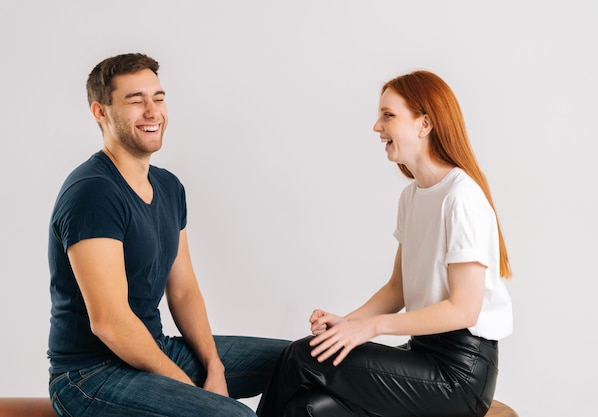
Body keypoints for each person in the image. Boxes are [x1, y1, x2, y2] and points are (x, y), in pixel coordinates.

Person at [257, 70, 513, 417]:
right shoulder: (412, 197)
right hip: (423, 356)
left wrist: (372, 327)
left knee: (303, 357)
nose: (377, 127)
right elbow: (398, 289)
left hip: (461, 374)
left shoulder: (461, 197)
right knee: (307, 409)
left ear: (424, 124)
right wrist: (348, 324)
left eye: (388, 115)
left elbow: (464, 309)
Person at [47, 52, 289, 417]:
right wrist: (190, 389)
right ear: (100, 112)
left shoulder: (168, 186)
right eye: (135, 100)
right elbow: (110, 323)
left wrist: (215, 368)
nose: (152, 111)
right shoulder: (93, 193)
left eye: (158, 98)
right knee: (234, 416)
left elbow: (183, 288)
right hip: (90, 375)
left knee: (301, 364)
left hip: (152, 348)